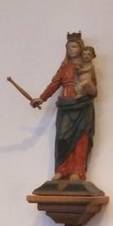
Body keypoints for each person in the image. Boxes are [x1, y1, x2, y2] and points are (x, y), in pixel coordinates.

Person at [30, 32, 97, 181]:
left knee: (81, 138)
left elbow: (95, 90)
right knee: (62, 138)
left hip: (83, 106)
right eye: (68, 47)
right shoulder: (64, 68)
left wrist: (89, 88)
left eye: (74, 46)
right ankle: (62, 169)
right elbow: (54, 84)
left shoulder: (87, 67)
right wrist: (41, 98)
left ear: (80, 48)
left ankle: (77, 171)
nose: (71, 50)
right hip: (66, 106)